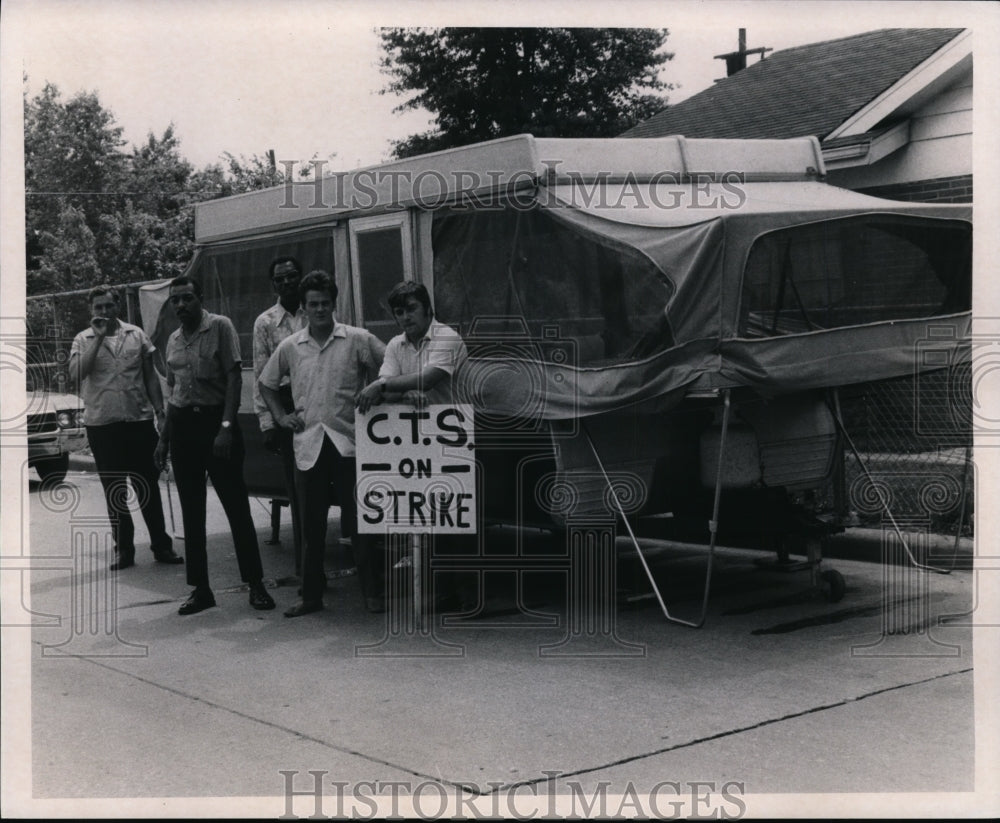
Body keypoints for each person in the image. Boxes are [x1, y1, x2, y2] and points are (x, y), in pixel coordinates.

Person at [259, 270, 386, 616]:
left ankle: (372, 594)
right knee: (310, 528)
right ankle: (311, 596)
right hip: (308, 445)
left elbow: (389, 365)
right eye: (313, 304)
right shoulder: (290, 346)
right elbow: (266, 383)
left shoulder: (357, 339)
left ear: (334, 303)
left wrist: (375, 388)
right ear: (304, 307)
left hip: (349, 443)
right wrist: (280, 417)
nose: (319, 310)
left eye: (325, 303)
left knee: (360, 524)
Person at [153, 276, 275, 615]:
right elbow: (175, 394)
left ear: (200, 298)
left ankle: (256, 584)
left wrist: (224, 429)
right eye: (175, 300)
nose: (181, 305)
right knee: (192, 512)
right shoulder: (173, 340)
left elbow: (234, 378)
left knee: (236, 508)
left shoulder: (220, 326)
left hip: (217, 425)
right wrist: (164, 440)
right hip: (184, 430)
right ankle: (201, 589)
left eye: (187, 298)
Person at [356, 281, 474, 612]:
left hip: (454, 438)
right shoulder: (395, 345)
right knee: (428, 519)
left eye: (411, 309)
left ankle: (469, 595)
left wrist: (383, 385)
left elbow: (429, 378)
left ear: (427, 309)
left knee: (459, 521)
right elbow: (393, 391)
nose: (405, 317)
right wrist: (398, 391)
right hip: (415, 440)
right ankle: (444, 592)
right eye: (399, 311)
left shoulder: (448, 337)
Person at [68, 284, 183, 571]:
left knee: (148, 486)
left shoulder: (136, 334)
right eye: (98, 308)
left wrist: (159, 411)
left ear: (117, 305)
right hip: (103, 426)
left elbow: (150, 377)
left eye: (108, 306)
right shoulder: (83, 339)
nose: (104, 312)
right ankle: (124, 550)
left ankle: (161, 546)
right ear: (91, 311)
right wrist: (98, 339)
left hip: (139, 422)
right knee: (114, 490)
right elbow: (76, 374)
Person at [252, 256, 307, 572]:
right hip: (285, 406)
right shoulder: (265, 322)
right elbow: (262, 375)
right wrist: (267, 422)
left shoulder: (317, 309)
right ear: (273, 284)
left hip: (319, 400)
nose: (287, 283)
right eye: (280, 279)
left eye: (292, 276)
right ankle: (305, 566)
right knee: (298, 489)